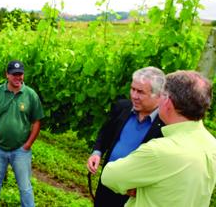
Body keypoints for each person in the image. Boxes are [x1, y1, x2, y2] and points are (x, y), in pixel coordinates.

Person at [102, 70, 216, 206]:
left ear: (167, 101)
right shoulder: (212, 145)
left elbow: (109, 176)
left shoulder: (159, 150)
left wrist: (140, 186)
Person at [86, 66, 166, 206]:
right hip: (107, 183)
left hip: (133, 193)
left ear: (158, 95)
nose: (134, 96)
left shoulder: (165, 124)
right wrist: (97, 152)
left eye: (140, 92)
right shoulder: (122, 107)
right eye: (133, 89)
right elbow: (106, 133)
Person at [0, 60, 44, 207]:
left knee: (25, 188)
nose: (18, 77)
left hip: (20, 151)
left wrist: (27, 145)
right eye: (14, 74)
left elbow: (37, 122)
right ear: (7, 75)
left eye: (20, 74)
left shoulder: (30, 95)